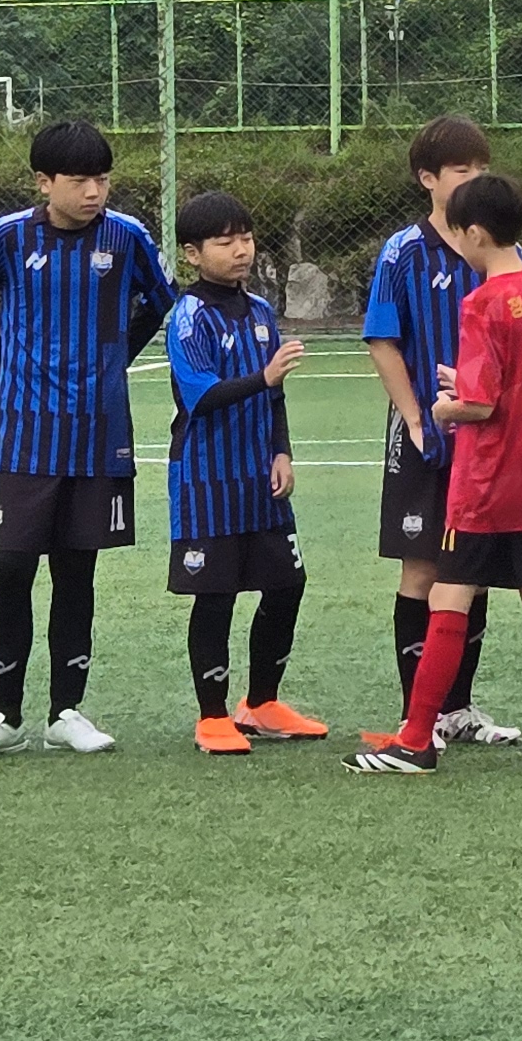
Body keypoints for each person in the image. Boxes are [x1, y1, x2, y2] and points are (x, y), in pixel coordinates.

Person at [350, 174, 522, 769]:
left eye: (459, 235)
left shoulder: (482, 301)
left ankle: (415, 740)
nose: (458, 245)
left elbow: (478, 407)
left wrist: (444, 407)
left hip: (486, 479)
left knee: (448, 596)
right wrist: (472, 385)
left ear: (475, 233)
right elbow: (512, 382)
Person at [0, 119, 174, 760]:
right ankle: (2, 714)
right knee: (13, 567)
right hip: (24, 435)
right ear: (45, 182)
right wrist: (4, 365)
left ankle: (65, 711)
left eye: (102, 179)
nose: (94, 192)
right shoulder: (10, 236)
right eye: (79, 181)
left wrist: (114, 358)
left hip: (99, 435)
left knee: (77, 571)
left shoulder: (127, 237)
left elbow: (160, 302)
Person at [359, 119, 517, 750]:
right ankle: (416, 716)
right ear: (428, 179)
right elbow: (382, 339)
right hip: (425, 439)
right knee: (422, 571)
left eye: (482, 168)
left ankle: (458, 709)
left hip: (484, 437)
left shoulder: (499, 249)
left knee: (472, 571)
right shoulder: (403, 252)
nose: (475, 180)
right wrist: (416, 416)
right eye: (461, 171)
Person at [164, 190, 324, 755]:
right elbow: (200, 396)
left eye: (247, 238)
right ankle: (212, 716)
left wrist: (282, 451)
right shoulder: (188, 317)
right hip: (207, 478)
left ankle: (261, 703)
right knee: (217, 594)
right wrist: (265, 378)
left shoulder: (259, 311)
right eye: (225, 242)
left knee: (287, 584)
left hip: (260, 477)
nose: (241, 250)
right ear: (192, 254)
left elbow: (273, 397)